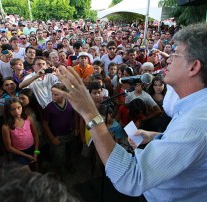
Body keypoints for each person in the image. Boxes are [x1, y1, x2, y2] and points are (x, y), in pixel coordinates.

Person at [53, 23, 207, 201]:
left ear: (193, 67)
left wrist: (89, 113)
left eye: (175, 54)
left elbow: (131, 177)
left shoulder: (195, 124)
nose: (168, 59)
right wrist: (155, 137)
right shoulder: (195, 111)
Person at [43, 83, 76, 175]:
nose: (53, 96)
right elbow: (45, 123)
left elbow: (74, 116)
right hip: (58, 136)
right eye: (52, 94)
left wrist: (76, 128)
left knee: (69, 151)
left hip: (70, 133)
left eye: (56, 94)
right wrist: (52, 138)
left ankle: (68, 163)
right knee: (59, 156)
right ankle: (58, 172)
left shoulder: (70, 103)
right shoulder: (49, 108)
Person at [2, 98, 39, 168]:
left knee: (35, 165)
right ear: (8, 111)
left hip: (33, 149)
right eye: (13, 109)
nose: (17, 111)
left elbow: (35, 135)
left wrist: (36, 152)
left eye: (19, 107)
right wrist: (26, 156)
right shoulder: (6, 127)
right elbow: (8, 147)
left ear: (22, 107)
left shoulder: (29, 119)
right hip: (18, 153)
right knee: (25, 171)